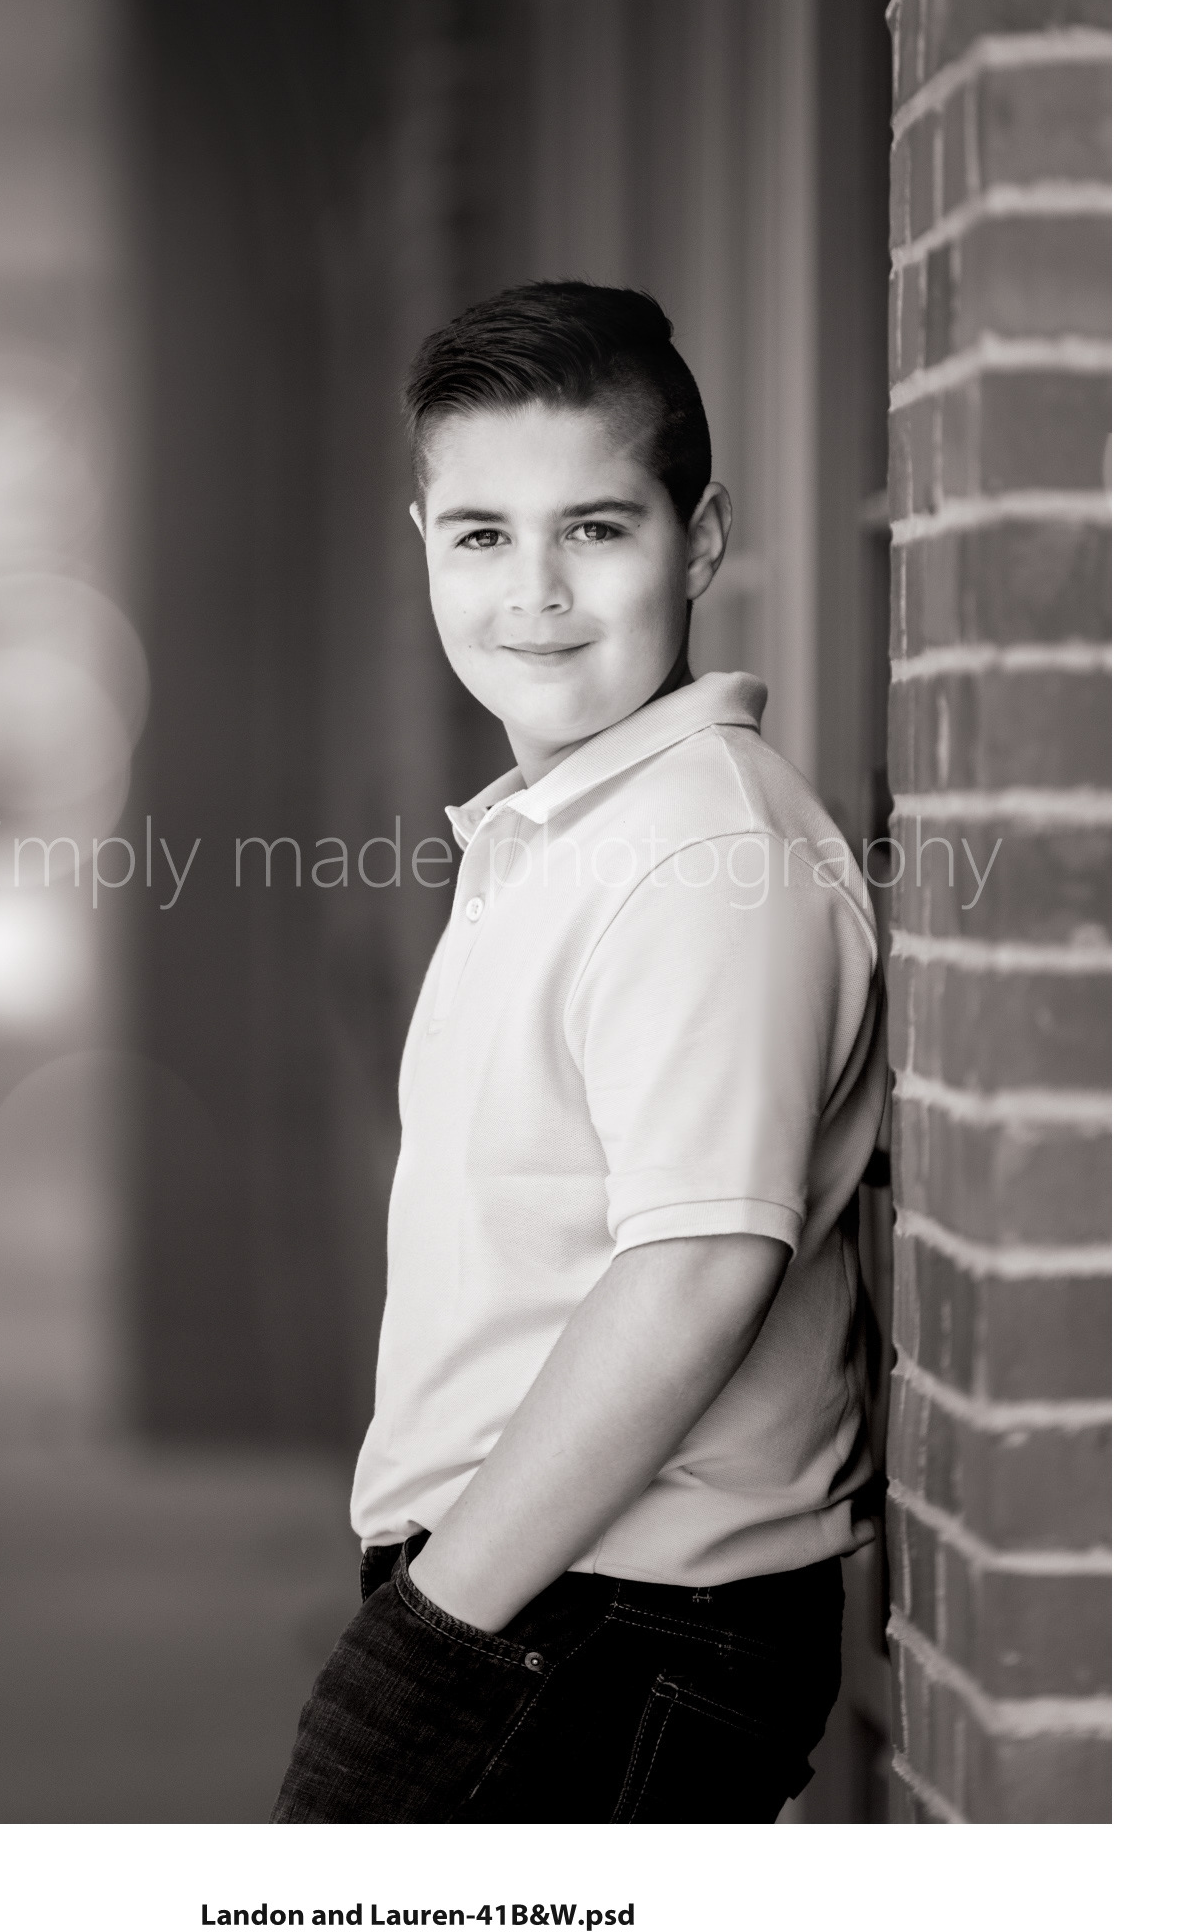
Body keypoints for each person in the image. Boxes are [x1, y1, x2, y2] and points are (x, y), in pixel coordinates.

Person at [271, 281, 883, 1823]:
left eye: (596, 529)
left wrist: (438, 1627)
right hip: (548, 1603)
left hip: (604, 1621)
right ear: (424, 540)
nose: (534, 592)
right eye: (482, 534)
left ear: (703, 538)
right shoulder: (576, 828)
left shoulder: (700, 852)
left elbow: (698, 1269)